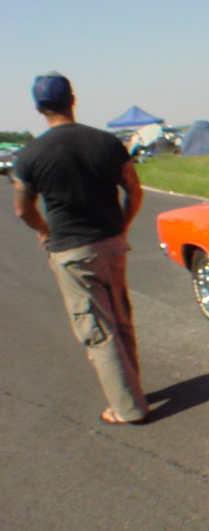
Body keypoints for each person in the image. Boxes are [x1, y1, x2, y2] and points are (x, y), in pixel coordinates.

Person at [12, 72, 148, 425]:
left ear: (39, 108)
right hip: (113, 244)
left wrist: (44, 231)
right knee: (120, 318)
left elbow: (23, 209)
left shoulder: (30, 154)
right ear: (72, 100)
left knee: (98, 329)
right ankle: (132, 390)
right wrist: (123, 224)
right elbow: (133, 189)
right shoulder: (106, 142)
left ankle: (127, 408)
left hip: (72, 251)